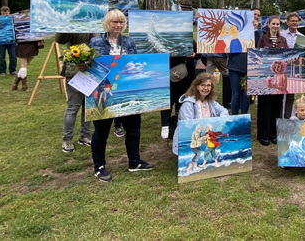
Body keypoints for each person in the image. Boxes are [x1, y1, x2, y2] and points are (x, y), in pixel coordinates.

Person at [88, 10, 154, 182]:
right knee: (101, 131)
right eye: (114, 22)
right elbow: (89, 65)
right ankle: (99, 166)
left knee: (133, 129)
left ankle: (134, 162)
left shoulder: (129, 41)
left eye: (121, 22)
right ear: (107, 23)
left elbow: (135, 62)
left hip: (127, 89)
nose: (118, 25)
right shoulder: (95, 42)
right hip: (103, 91)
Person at [55, 33, 96, 153]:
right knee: (73, 107)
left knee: (88, 106)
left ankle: (85, 136)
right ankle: (67, 139)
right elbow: (60, 39)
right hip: (74, 70)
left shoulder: (96, 23)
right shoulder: (73, 25)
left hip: (92, 69)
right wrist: (64, 27)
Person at [171, 73, 229, 155]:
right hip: (193, 137)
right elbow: (188, 125)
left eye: (208, 85)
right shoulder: (188, 103)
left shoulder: (209, 100)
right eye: (203, 85)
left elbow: (223, 110)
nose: (206, 88)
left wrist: (221, 119)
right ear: (197, 86)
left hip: (206, 135)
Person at [256, 16, 288, 146]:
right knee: (265, 106)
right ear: (268, 25)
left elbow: (286, 56)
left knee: (276, 106)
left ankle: (274, 133)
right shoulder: (262, 39)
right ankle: (263, 134)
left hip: (279, 78)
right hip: (265, 77)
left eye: (278, 24)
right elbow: (257, 57)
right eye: (273, 23)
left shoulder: (283, 40)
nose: (275, 26)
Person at [160, 40, 201, 139]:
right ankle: (165, 124)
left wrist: (194, 55)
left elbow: (200, 54)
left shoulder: (188, 38)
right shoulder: (163, 40)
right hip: (167, 75)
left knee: (183, 99)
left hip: (186, 75)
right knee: (167, 99)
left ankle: (180, 121)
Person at [228, 14, 261, 115]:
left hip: (248, 68)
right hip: (234, 66)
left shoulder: (257, 31)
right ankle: (234, 118)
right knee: (236, 95)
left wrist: (255, 29)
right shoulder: (237, 28)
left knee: (246, 95)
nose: (255, 16)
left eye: (258, 15)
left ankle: (244, 118)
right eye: (254, 14)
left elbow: (258, 45)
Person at [280, 12, 304, 118]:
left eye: (296, 21)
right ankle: (279, 118)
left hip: (295, 70)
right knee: (280, 95)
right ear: (287, 22)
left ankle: (287, 118)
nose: (295, 23)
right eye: (292, 21)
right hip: (281, 69)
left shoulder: (302, 38)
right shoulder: (281, 35)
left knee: (290, 96)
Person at [12, 10, 40, 91]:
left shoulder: (19, 24)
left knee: (23, 66)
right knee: (24, 66)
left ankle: (17, 84)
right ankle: (20, 85)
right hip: (32, 46)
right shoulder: (35, 22)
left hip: (24, 46)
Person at [0, 6, 16, 77]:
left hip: (11, 41)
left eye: (6, 13)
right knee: (1, 57)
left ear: (9, 12)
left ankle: (13, 70)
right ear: (1, 13)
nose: (5, 14)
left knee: (13, 56)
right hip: (1, 41)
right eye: (4, 13)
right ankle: (2, 71)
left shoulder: (12, 19)